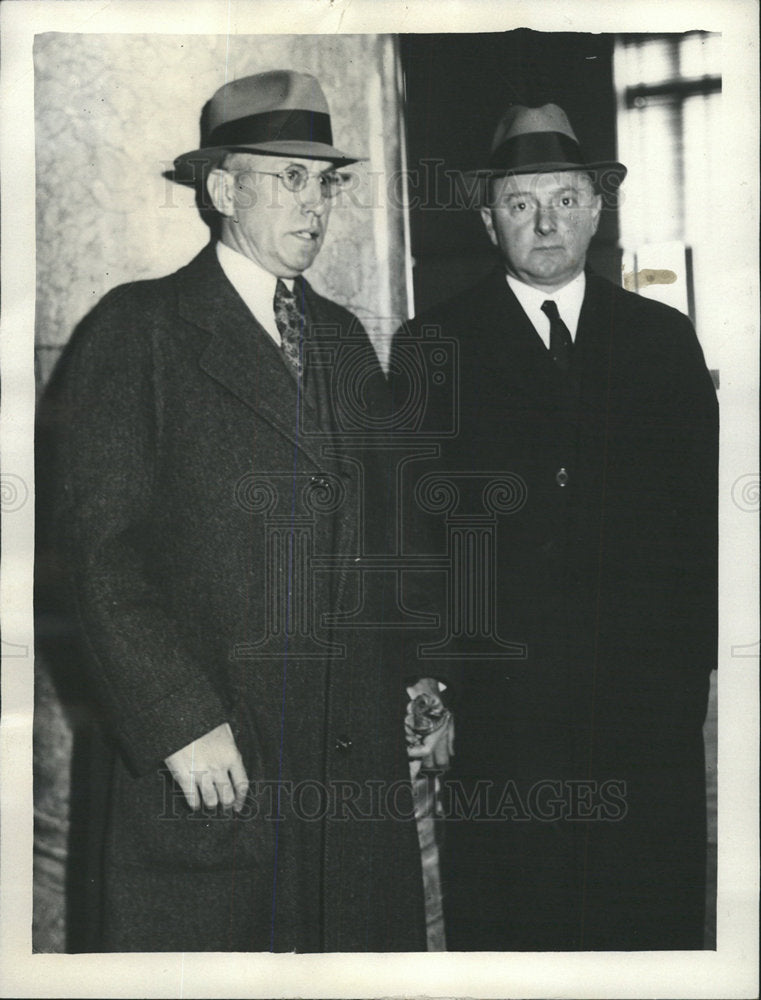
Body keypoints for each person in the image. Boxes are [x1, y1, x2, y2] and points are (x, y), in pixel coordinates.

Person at [40, 70, 450, 953]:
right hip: (217, 762)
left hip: (346, 777)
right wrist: (177, 719)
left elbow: (384, 531)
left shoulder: (342, 337)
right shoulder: (138, 329)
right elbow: (98, 556)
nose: (316, 204)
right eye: (289, 177)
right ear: (223, 190)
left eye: (326, 181)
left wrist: (415, 671)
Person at [392, 103, 718, 950]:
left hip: (642, 707)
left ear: (596, 209)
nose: (545, 223)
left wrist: (689, 678)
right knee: (513, 923)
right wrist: (436, 688)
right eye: (520, 202)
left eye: (565, 200)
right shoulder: (435, 344)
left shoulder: (661, 340)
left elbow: (701, 524)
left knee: (646, 915)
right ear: (485, 215)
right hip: (504, 714)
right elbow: (414, 526)